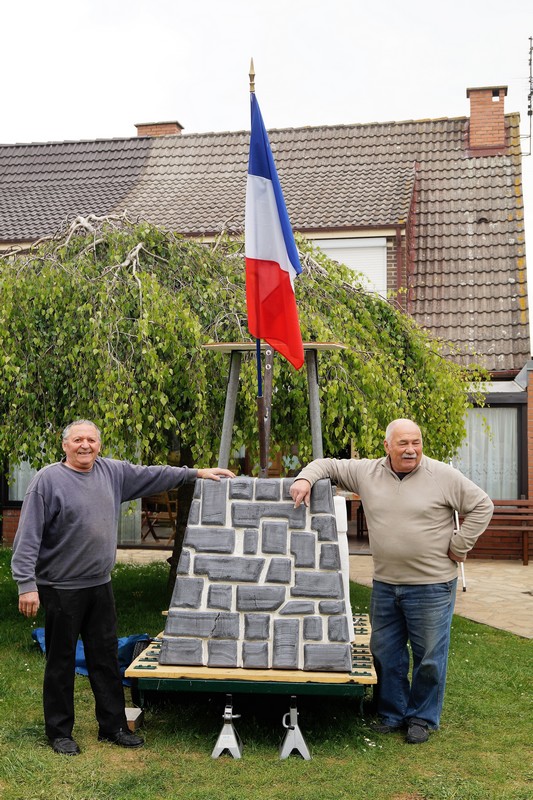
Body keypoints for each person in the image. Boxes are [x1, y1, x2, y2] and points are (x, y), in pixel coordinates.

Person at [11, 419, 234, 756]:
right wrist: (26, 584)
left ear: (98, 445)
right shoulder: (47, 481)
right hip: (61, 588)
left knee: (105, 658)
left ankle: (113, 726)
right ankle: (59, 732)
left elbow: (154, 475)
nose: (85, 445)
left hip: (100, 585)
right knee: (61, 662)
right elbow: (27, 535)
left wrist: (197, 473)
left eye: (91, 440)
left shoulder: (111, 472)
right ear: (65, 445)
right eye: (78, 440)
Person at [290, 418, 493, 744]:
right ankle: (392, 713)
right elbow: (326, 464)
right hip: (385, 583)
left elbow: (482, 505)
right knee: (386, 652)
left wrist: (460, 545)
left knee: (429, 658)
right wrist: (304, 478)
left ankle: (421, 718)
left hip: (432, 585)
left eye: (416, 442)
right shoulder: (367, 472)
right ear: (387, 446)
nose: (411, 450)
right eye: (403, 443)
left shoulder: (442, 475)